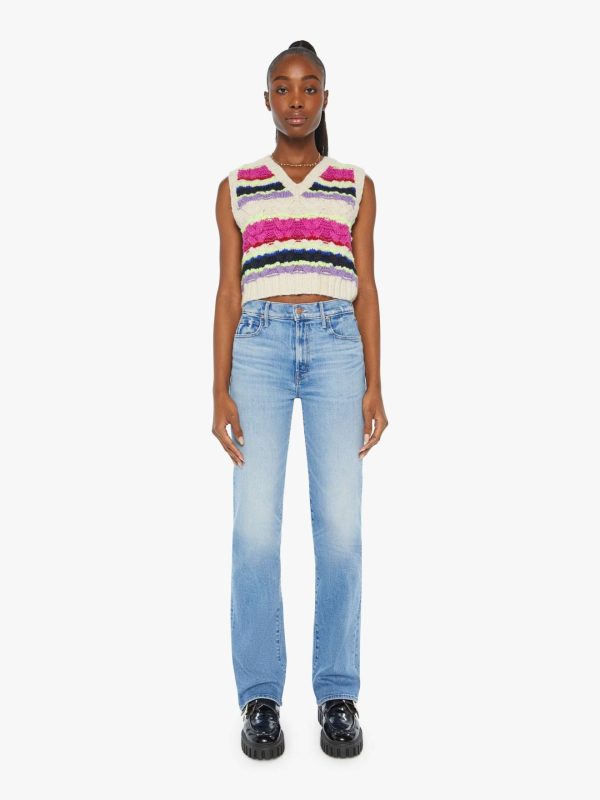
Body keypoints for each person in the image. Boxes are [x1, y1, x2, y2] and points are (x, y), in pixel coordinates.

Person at [213, 39, 388, 759]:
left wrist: (376, 383)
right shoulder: (237, 185)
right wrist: (217, 387)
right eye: (283, 88)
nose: (295, 100)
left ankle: (338, 694)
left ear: (324, 98)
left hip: (337, 348)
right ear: (266, 99)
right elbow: (228, 292)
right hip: (257, 348)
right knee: (255, 529)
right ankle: (260, 697)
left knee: (340, 528)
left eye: (308, 87)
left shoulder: (355, 183)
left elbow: (367, 286)